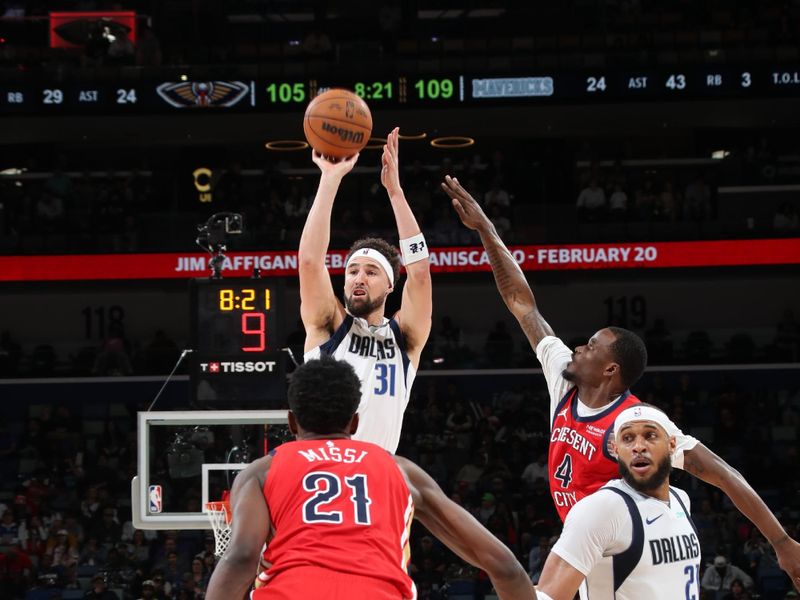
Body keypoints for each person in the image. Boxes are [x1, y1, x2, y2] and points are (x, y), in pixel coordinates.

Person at [440, 174, 800, 589]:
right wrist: (487, 229)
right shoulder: (565, 380)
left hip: (626, 540)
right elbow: (524, 306)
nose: (578, 348)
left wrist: (781, 540)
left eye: (591, 347)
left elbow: (721, 473)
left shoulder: (637, 425)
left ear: (611, 370)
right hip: (587, 539)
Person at [204, 357, 536, 600]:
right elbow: (506, 567)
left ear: (292, 422)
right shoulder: (403, 471)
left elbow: (243, 556)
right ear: (354, 423)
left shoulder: (261, 471)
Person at [299, 127, 432, 453]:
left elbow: (420, 273)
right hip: (324, 471)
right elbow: (310, 262)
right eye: (352, 271)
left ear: (389, 286)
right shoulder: (329, 324)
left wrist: (396, 194)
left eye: (371, 272)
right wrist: (329, 180)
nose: (358, 278)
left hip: (378, 478)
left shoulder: (405, 337)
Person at [536, 404, 700, 600]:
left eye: (650, 435)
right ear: (615, 450)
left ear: (672, 445)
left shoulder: (681, 499)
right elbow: (548, 595)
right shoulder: (601, 508)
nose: (639, 446)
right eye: (628, 438)